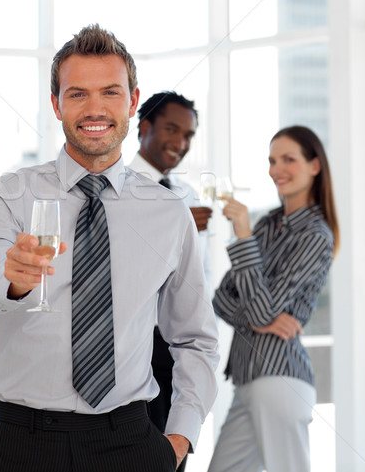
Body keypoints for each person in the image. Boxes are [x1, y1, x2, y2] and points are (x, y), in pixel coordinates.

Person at [0, 24, 219, 472]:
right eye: (77, 94)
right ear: (57, 104)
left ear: (133, 102)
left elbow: (195, 337)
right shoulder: (12, 193)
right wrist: (12, 279)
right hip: (22, 444)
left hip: (129, 442)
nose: (95, 108)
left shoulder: (169, 212)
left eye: (111, 93)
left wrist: (180, 436)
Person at [208, 125, 339, 472]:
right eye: (271, 160)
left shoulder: (315, 235)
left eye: (288, 159)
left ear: (314, 166)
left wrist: (242, 234)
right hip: (246, 379)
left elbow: (264, 308)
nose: (276, 169)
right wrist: (256, 318)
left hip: (279, 379)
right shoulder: (267, 224)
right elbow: (221, 299)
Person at [129, 91, 213, 471]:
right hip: (131, 346)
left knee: (170, 459)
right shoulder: (117, 189)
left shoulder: (186, 197)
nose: (180, 143)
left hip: (175, 348)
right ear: (144, 127)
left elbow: (197, 280)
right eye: (171, 129)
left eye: (188, 135)